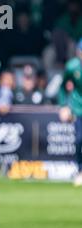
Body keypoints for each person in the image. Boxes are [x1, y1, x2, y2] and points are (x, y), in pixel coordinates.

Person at [58, 38, 82, 187]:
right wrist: (64, 106)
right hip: (79, 108)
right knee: (79, 140)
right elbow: (62, 87)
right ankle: (80, 170)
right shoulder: (72, 67)